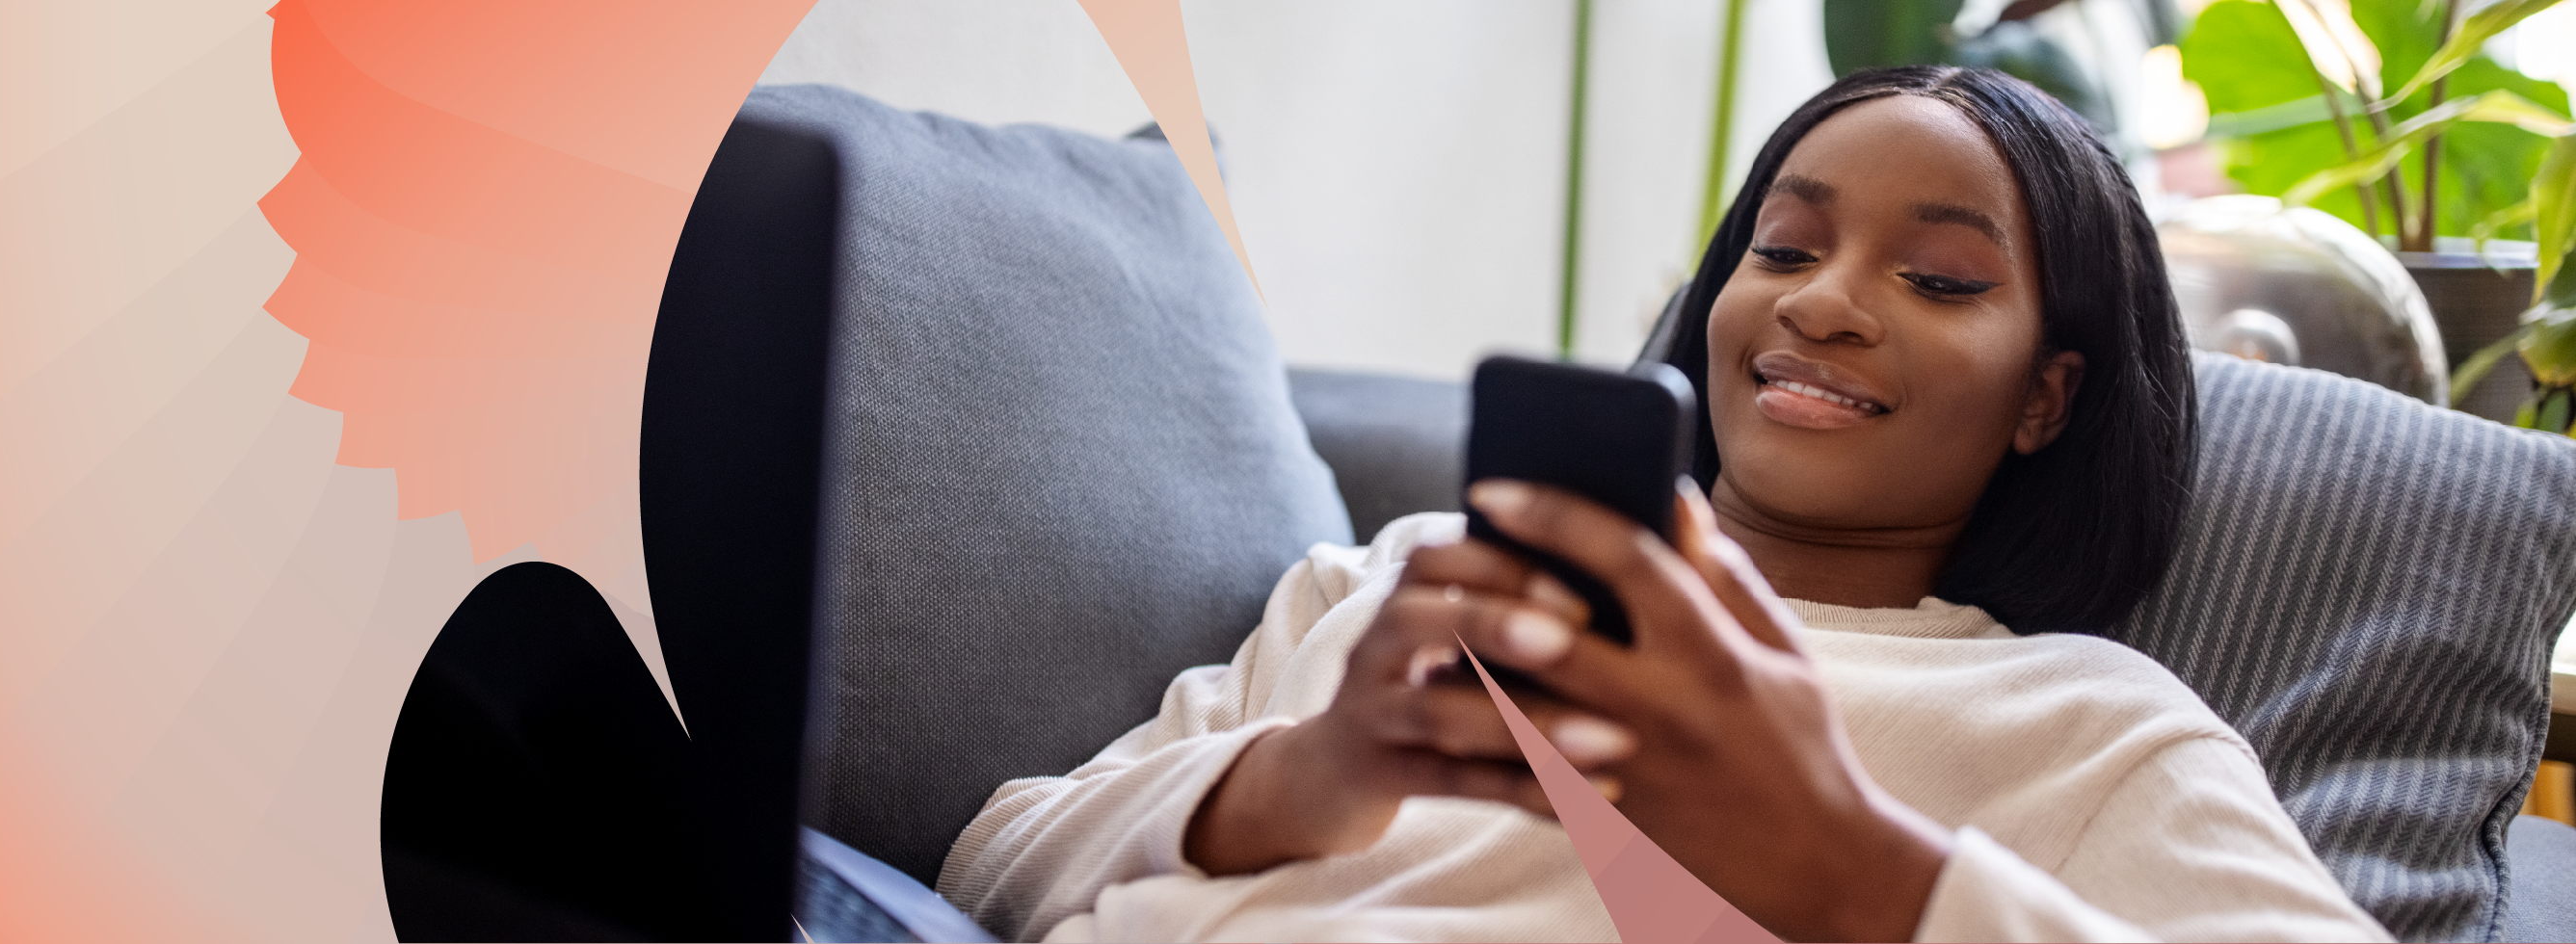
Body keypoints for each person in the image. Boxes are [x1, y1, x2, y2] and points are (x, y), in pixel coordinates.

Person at [933, 66, 2393, 943]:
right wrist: (1301, 777)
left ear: (2045, 400)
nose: (1820, 302)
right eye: (1780, 247)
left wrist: (1843, 858)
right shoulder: (1408, 582)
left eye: (1937, 278)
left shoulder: (2090, 729)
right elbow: (992, 865)